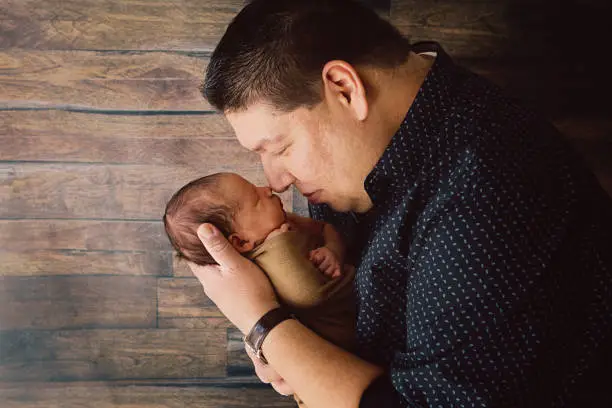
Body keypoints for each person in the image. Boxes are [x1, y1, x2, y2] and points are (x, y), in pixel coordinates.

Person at [190, 0, 612, 406]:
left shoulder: (493, 193)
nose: (276, 182)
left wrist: (262, 323)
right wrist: (293, 351)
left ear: (344, 88)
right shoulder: (356, 159)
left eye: (279, 148)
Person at [162, 172, 358, 407]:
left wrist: (333, 250)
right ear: (241, 242)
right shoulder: (275, 259)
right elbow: (311, 295)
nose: (267, 188)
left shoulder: (282, 224)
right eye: (256, 199)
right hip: (336, 372)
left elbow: (326, 228)